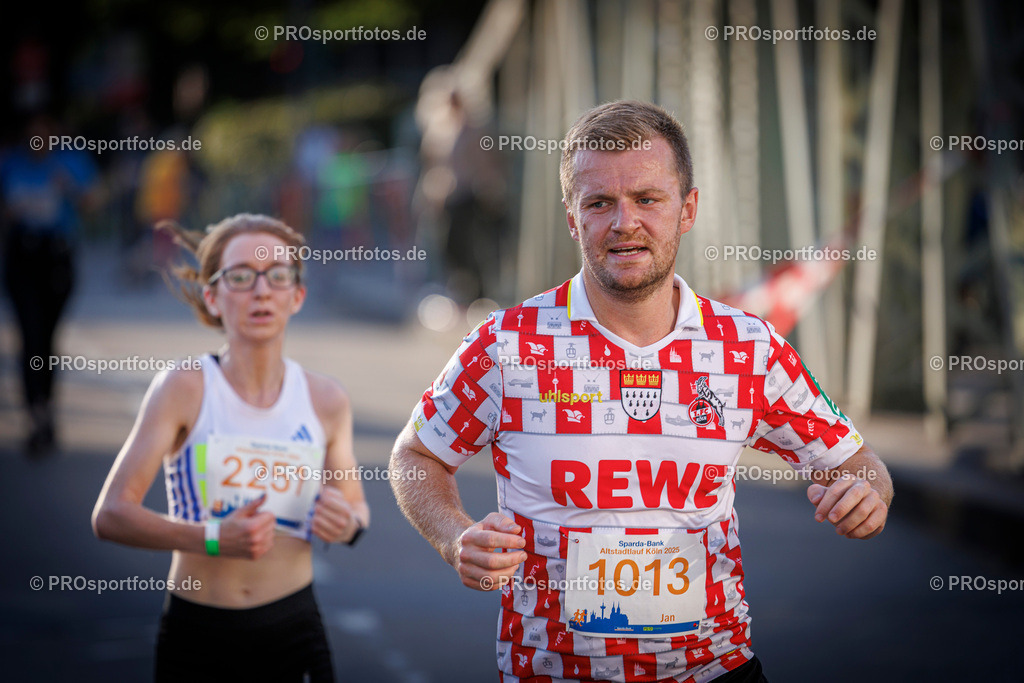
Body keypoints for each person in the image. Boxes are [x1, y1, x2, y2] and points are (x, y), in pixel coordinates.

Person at [389, 101, 893, 682]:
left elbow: (857, 462)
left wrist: (868, 496)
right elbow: (416, 455)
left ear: (688, 209)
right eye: (599, 202)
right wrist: (455, 538)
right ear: (573, 219)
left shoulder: (748, 348)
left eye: (647, 199)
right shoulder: (508, 345)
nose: (624, 222)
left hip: (714, 671)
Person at [92, 214, 369, 682]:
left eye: (277, 275)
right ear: (213, 297)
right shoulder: (183, 388)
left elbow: (358, 509)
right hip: (198, 632)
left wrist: (345, 523)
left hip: (295, 628)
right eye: (240, 277)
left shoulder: (326, 399)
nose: (261, 291)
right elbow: (111, 515)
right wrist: (213, 538)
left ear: (296, 295)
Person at [1, 113, 99, 453]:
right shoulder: (10, 163)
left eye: (45, 131)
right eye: (33, 132)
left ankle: (47, 407)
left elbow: (92, 203)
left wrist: (68, 188)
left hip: (56, 259)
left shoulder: (70, 161)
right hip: (22, 257)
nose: (38, 138)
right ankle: (34, 413)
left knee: (48, 338)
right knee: (30, 336)